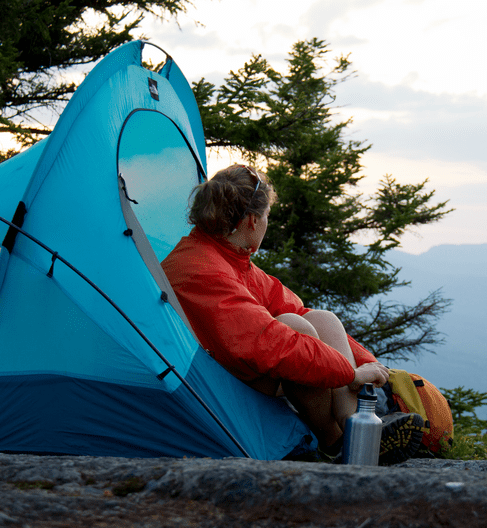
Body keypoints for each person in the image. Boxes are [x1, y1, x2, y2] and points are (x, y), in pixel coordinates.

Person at [161, 164, 424, 463]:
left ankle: (355, 426)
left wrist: (369, 366)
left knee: (319, 319)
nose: (266, 224)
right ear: (251, 221)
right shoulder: (203, 269)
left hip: (236, 363)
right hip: (213, 380)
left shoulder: (228, 257)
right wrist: (350, 374)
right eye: (267, 218)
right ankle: (336, 441)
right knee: (294, 328)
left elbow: (291, 306)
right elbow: (273, 345)